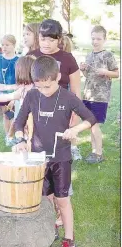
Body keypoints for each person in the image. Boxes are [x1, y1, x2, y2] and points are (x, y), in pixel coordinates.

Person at [14, 56, 96, 247]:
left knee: (62, 199)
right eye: (39, 86)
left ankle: (69, 239)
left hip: (61, 158)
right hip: (39, 157)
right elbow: (18, 121)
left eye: (48, 86)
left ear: (58, 77)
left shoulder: (68, 97)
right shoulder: (32, 95)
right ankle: (50, 228)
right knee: (46, 198)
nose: (43, 90)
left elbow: (90, 118)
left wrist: (75, 129)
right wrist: (21, 139)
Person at [28, 19, 82, 161]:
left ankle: (63, 180)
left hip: (61, 110)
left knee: (59, 152)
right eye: (43, 39)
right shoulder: (31, 56)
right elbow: (25, 85)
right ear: (38, 37)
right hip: (36, 109)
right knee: (37, 150)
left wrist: (76, 113)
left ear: (59, 39)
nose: (46, 43)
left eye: (51, 40)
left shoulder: (68, 59)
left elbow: (76, 89)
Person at [80, 25, 119, 163]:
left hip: (100, 97)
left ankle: (99, 154)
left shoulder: (108, 55)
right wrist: (83, 69)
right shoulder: (89, 55)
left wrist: (106, 72)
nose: (95, 41)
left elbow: (116, 73)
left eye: (98, 39)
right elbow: (87, 75)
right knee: (90, 124)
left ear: (104, 39)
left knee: (94, 124)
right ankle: (93, 151)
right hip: (88, 95)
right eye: (93, 38)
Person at [0, 55, 35, 147]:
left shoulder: (35, 90)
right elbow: (6, 97)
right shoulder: (23, 90)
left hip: (32, 128)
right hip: (23, 128)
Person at [0, 34, 19, 143]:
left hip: (14, 91)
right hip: (1, 92)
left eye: (7, 45)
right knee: (6, 114)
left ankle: (14, 135)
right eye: (3, 45)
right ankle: (7, 135)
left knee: (14, 114)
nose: (4, 47)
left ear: (13, 45)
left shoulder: (18, 60)